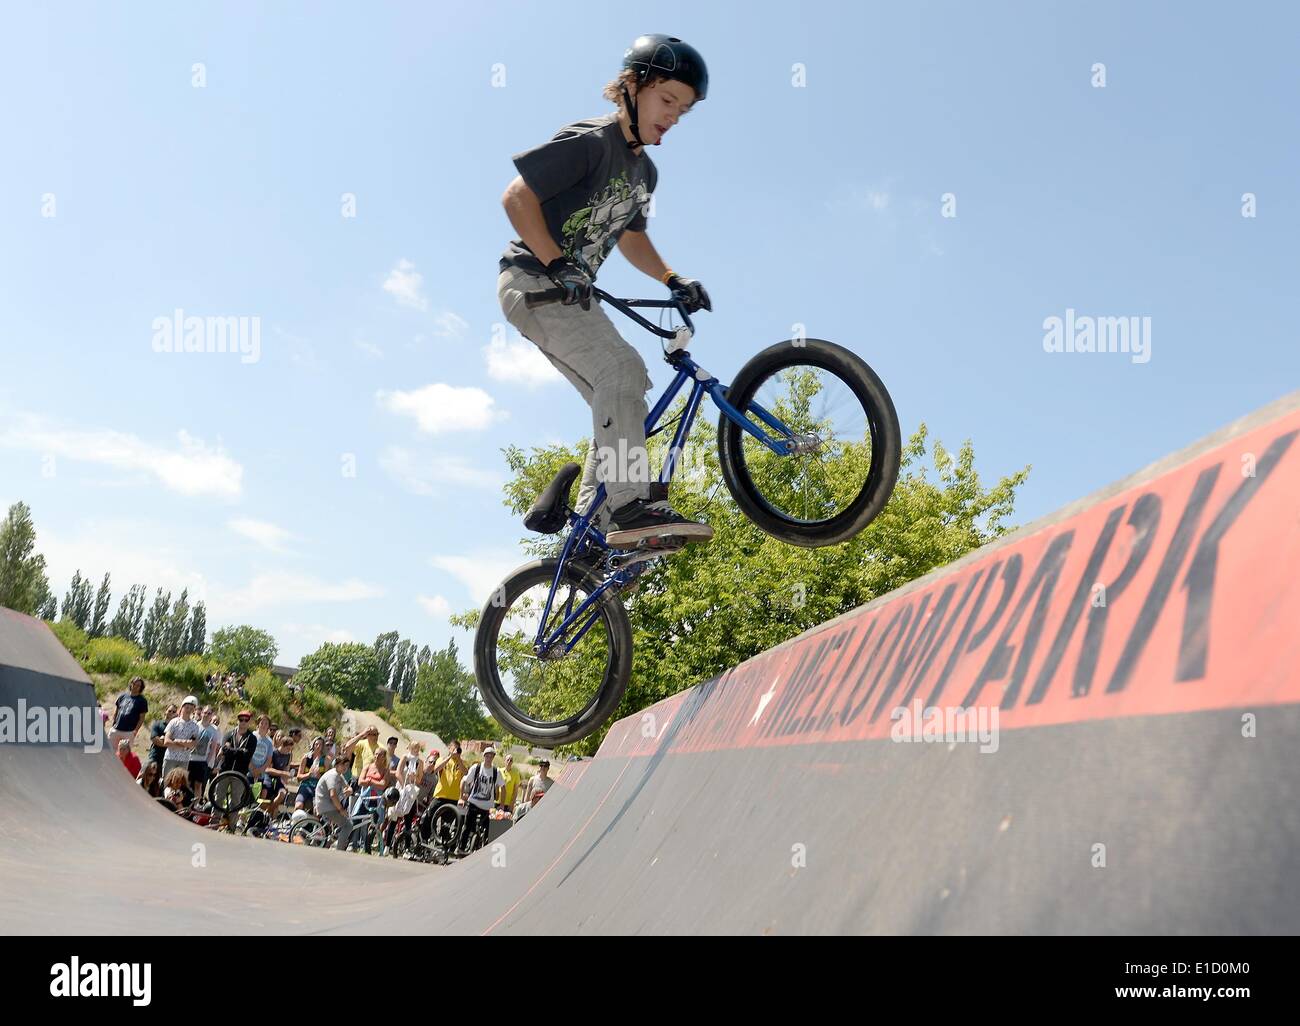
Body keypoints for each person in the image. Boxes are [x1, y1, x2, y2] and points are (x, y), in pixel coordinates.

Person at [497, 34, 714, 547]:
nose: (673, 117)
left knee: (624, 388)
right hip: (533, 280)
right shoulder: (592, 141)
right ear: (633, 87)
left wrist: (671, 278)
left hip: (568, 291)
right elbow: (517, 198)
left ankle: (594, 539)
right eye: (667, 101)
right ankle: (629, 506)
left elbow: (633, 237)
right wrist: (557, 263)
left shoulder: (645, 172)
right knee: (619, 368)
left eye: (682, 111)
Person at [457, 747, 503, 853]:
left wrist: (501, 804)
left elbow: (503, 787)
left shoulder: (496, 771)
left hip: (488, 806)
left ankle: (485, 851)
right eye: (487, 756)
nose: (489, 758)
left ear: (493, 757)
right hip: (474, 802)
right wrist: (461, 797)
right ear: (484, 756)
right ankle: (461, 848)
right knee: (467, 826)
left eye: (491, 756)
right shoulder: (476, 768)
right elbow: (464, 781)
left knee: (489, 829)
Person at [313, 755, 355, 852]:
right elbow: (333, 795)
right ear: (336, 765)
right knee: (348, 825)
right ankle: (339, 850)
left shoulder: (339, 775)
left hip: (330, 805)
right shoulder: (333, 775)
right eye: (342, 765)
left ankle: (332, 841)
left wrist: (350, 790)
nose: (345, 767)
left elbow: (348, 787)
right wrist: (341, 810)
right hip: (327, 806)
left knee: (342, 823)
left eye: (347, 765)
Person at [161, 697, 202, 783]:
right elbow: (167, 741)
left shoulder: (194, 726)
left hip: (184, 759)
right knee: (166, 782)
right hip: (170, 758)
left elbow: (193, 744)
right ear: (182, 707)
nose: (188, 710)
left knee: (180, 784)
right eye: (187, 707)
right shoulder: (174, 722)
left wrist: (177, 741)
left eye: (191, 708)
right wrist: (184, 745)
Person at [107, 677, 149, 753]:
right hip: (116, 729)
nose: (135, 686)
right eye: (134, 684)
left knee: (125, 753)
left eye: (138, 685)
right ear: (131, 684)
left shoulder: (142, 700)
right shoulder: (122, 696)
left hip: (129, 731)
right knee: (110, 751)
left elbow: (142, 718)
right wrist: (114, 721)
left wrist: (136, 730)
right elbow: (117, 710)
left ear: (141, 687)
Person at [189, 706, 220, 801]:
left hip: (202, 761)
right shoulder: (194, 725)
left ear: (212, 716)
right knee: (188, 783)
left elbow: (213, 748)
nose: (206, 715)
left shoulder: (214, 731)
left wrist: (207, 761)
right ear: (201, 713)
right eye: (205, 712)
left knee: (198, 785)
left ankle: (196, 804)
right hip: (190, 758)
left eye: (209, 713)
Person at [294, 736, 329, 812]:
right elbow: (298, 777)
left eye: (320, 745)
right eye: (316, 744)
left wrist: (319, 776)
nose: (318, 746)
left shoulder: (325, 760)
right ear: (313, 745)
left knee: (317, 810)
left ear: (323, 747)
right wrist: (309, 774)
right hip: (305, 786)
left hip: (317, 787)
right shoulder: (306, 758)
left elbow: (326, 780)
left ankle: (314, 823)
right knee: (298, 806)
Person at [219, 710, 258, 777]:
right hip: (224, 772)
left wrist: (230, 750)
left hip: (240, 775)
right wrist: (241, 751)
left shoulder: (252, 738)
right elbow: (224, 750)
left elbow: (247, 756)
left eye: (246, 720)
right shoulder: (229, 734)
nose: (243, 722)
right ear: (237, 721)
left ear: (249, 721)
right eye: (241, 719)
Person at [145, 704, 178, 777]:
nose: (171, 713)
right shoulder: (157, 724)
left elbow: (176, 742)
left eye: (173, 712)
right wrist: (168, 743)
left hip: (168, 759)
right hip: (155, 756)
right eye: (169, 711)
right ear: (165, 712)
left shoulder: (176, 728)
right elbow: (154, 739)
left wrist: (164, 740)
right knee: (145, 776)